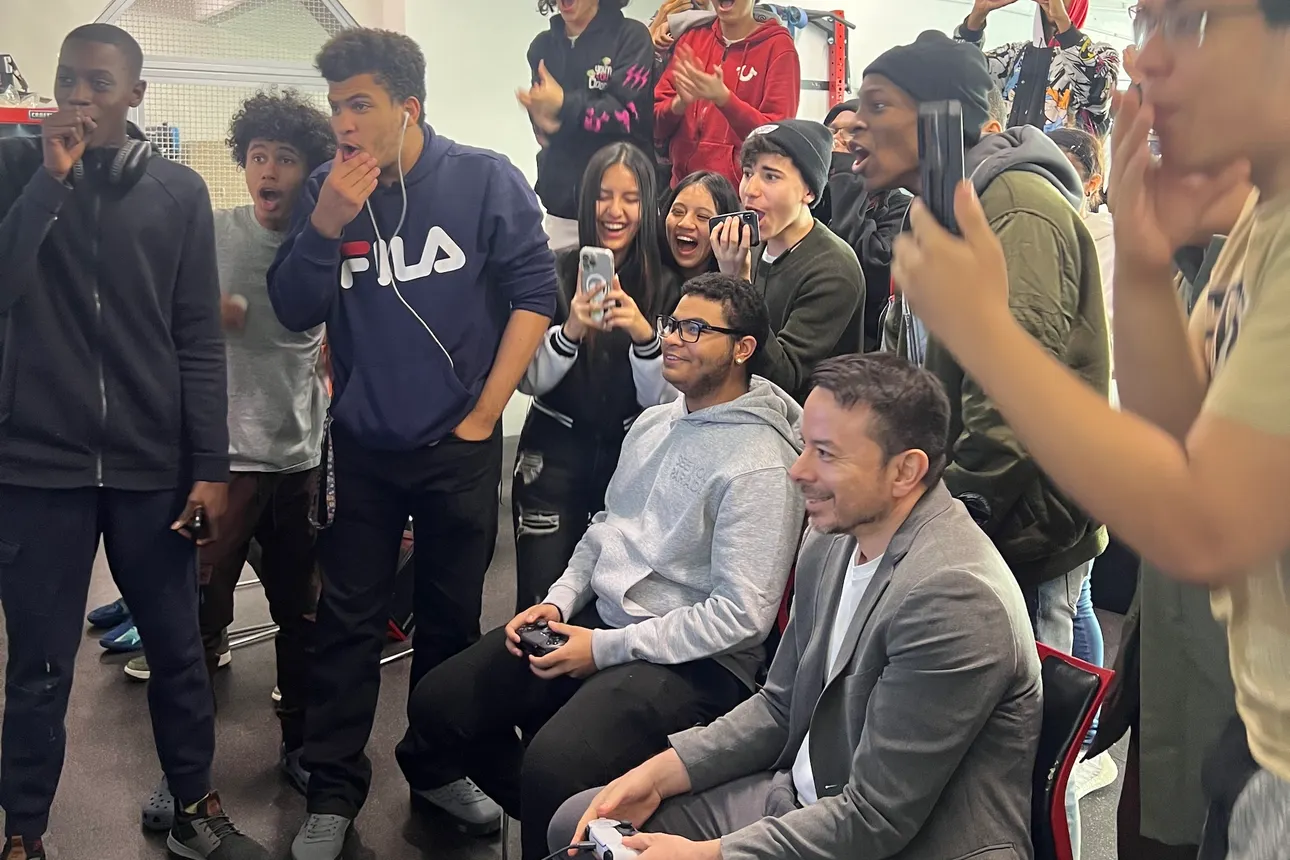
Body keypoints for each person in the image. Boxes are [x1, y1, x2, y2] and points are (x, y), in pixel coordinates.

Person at [888, 0, 1290, 856]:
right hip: (1263, 734)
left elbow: (1203, 527)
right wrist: (1145, 267)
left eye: (1188, 25)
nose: (1144, 63)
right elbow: (1181, 444)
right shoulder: (1265, 222)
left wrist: (986, 337)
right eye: (1146, 26)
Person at [548, 353, 1041, 860]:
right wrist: (662, 772)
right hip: (810, 799)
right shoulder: (835, 536)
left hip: (900, 843)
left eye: (825, 454)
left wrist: (710, 855)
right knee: (577, 827)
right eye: (804, 444)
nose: (797, 470)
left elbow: (875, 820)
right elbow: (781, 704)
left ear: (905, 471)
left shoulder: (954, 599)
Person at [265, 28, 558, 860]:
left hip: (458, 449)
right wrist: (324, 223)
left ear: (408, 108)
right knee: (349, 621)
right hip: (363, 449)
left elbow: (536, 297)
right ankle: (332, 786)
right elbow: (292, 310)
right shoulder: (329, 188)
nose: (345, 124)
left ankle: (436, 766)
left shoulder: (482, 180)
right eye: (336, 107)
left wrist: (483, 416)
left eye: (361, 105)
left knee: (450, 621)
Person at [397, 273, 805, 860]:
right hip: (601, 624)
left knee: (554, 765)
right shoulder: (655, 422)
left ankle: (566, 825)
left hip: (700, 664)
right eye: (672, 324)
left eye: (696, 329)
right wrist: (558, 600)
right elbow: (606, 530)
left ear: (743, 348)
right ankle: (583, 836)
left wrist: (603, 650)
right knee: (438, 703)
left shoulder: (761, 464)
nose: (673, 339)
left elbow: (742, 618)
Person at [0, 24, 267, 860]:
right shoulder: (14, 171)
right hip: (39, 468)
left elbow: (196, 335)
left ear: (136, 96)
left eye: (100, 85)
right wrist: (50, 184)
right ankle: (24, 835)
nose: (80, 98)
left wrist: (211, 467)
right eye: (69, 80)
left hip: (154, 467)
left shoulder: (178, 194)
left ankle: (195, 808)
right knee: (38, 667)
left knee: (180, 651)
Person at [122, 90, 335, 831]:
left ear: (309, 171)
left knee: (302, 615)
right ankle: (187, 773)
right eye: (258, 157)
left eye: (285, 158)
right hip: (220, 461)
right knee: (195, 622)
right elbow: (146, 308)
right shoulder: (212, 232)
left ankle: (301, 745)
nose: (268, 170)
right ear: (243, 163)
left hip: (299, 458)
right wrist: (211, 315)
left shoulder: (323, 239)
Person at [859, 32, 1109, 660]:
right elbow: (906, 363)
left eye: (879, 106)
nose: (856, 127)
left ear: (944, 118)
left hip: (1017, 528)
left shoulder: (1019, 209)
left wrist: (950, 521)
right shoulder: (929, 214)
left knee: (1019, 730)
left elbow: (1016, 398)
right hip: (960, 517)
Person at [512, 141, 681, 611]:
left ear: (647, 205)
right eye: (604, 195)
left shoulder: (669, 285)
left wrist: (645, 336)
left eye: (630, 198)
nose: (615, 210)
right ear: (587, 201)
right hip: (551, 459)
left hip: (632, 462)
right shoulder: (553, 273)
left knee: (615, 603)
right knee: (541, 602)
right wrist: (570, 331)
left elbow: (662, 403)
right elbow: (528, 380)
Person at [713, 120, 864, 402]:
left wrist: (738, 285)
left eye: (771, 177)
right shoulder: (752, 247)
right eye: (748, 173)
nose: (750, 190)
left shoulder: (833, 269)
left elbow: (783, 380)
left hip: (805, 429)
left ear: (809, 191)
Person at [525, 0, 655, 251]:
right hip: (563, 211)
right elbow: (547, 125)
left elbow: (626, 116)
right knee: (562, 288)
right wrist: (541, 117)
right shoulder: (542, 47)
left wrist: (564, 104)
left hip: (622, 212)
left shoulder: (631, 37)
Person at [653, 0, 800, 189]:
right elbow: (656, 128)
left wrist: (724, 99)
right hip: (682, 189)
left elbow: (777, 139)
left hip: (739, 199)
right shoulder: (692, 38)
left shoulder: (779, 48)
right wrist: (679, 104)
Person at [819, 98, 911, 354]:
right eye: (832, 131)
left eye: (854, 131)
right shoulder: (811, 199)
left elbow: (870, 266)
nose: (838, 139)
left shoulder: (901, 207)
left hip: (864, 350)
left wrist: (847, 176)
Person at [956, 0, 1120, 136]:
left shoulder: (1102, 54)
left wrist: (1062, 20)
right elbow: (959, 75)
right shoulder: (1016, 55)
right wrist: (978, 15)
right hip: (1009, 168)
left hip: (1064, 173)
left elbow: (1098, 95)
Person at [660, 169, 739, 279]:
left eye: (702, 216)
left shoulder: (738, 281)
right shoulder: (647, 279)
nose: (685, 223)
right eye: (678, 212)